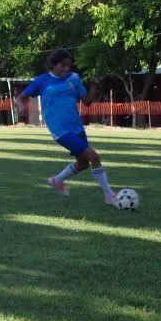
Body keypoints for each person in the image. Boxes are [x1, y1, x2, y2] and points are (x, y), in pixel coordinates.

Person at [16, 49, 117, 206]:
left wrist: (93, 86)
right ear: (53, 64)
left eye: (68, 66)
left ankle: (57, 180)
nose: (66, 69)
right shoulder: (42, 81)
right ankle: (109, 196)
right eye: (62, 65)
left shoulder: (74, 78)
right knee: (94, 157)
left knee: (83, 163)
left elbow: (87, 102)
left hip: (77, 127)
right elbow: (21, 97)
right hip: (60, 130)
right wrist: (22, 107)